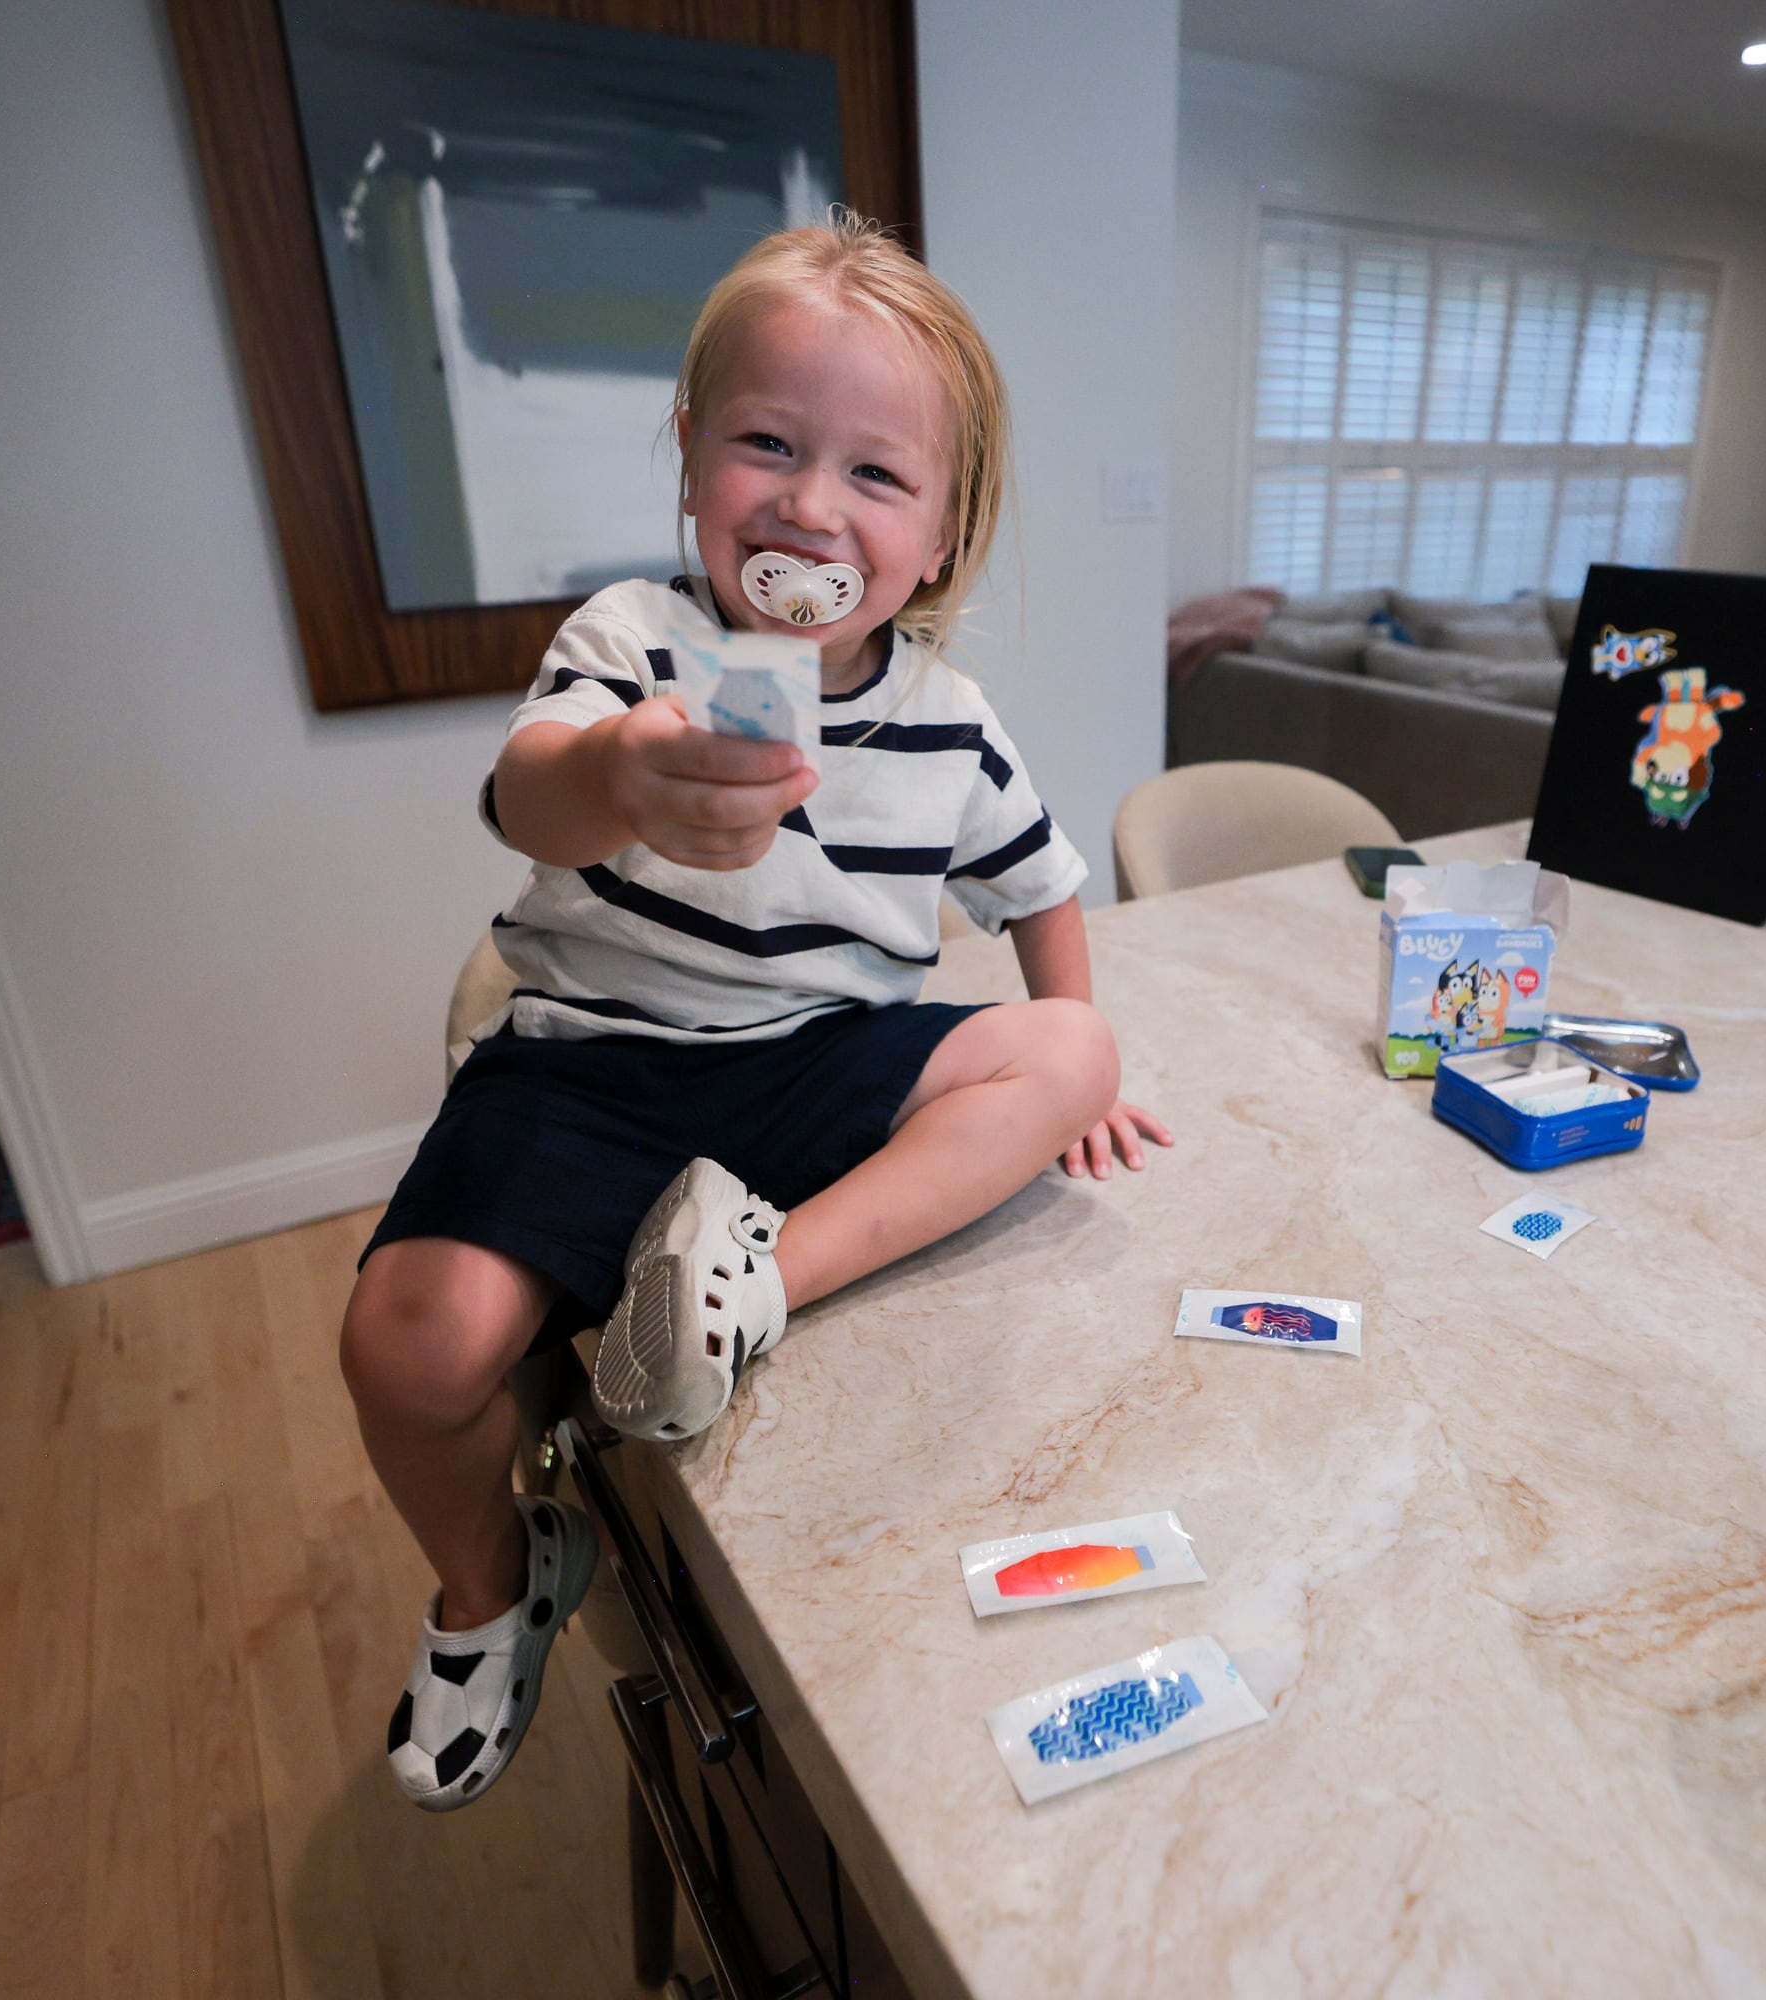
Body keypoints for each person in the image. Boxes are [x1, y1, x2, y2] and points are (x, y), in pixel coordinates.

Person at [340, 214, 1172, 1810]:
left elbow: (1044, 890)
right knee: (406, 1349)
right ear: (692, 459)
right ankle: (492, 1584)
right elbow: (532, 796)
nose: (807, 503)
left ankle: (752, 1285)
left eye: (875, 474)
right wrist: (622, 775)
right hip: (592, 1065)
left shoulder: (948, 721)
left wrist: (1082, 1083)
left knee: (1073, 1047)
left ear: (939, 533)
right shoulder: (632, 642)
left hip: (820, 1067)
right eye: (767, 445)